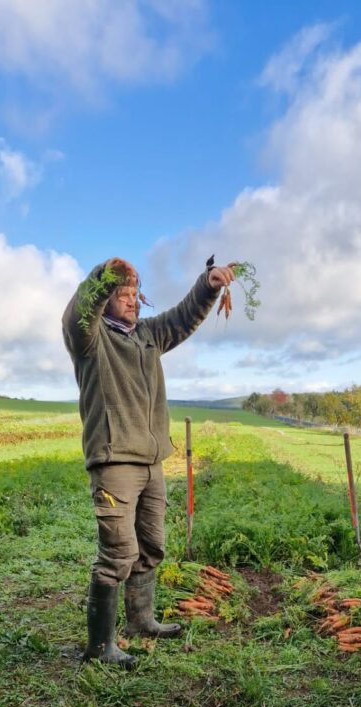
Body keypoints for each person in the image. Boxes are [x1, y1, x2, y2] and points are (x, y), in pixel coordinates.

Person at [63, 257, 235, 668]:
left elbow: (181, 318)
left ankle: (140, 622)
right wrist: (105, 276)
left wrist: (208, 286)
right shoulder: (90, 339)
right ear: (105, 301)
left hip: (151, 462)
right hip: (115, 462)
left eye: (133, 295)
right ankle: (99, 649)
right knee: (117, 553)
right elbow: (77, 312)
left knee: (151, 545)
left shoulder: (148, 336)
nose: (130, 301)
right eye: (120, 295)